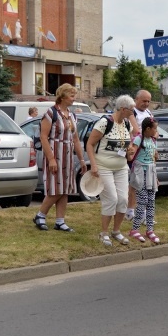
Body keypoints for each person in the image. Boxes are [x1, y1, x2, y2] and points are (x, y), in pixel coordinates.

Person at [33, 84, 87, 232]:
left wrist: (81, 160)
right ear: (62, 96)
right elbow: (43, 137)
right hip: (55, 154)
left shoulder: (72, 115)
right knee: (55, 188)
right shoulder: (51, 113)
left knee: (65, 189)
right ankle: (40, 215)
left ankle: (60, 221)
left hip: (68, 156)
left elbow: (75, 139)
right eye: (71, 95)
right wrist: (50, 158)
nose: (74, 98)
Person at [86, 95, 135, 247]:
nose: (132, 113)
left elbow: (129, 142)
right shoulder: (105, 122)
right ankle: (104, 232)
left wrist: (130, 150)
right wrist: (93, 165)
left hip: (121, 167)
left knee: (123, 199)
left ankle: (116, 231)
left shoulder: (127, 123)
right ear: (123, 109)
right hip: (103, 167)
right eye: (131, 110)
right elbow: (89, 144)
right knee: (111, 199)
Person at [128, 117, 160, 244]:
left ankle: (150, 229)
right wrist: (129, 151)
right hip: (141, 172)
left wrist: (156, 177)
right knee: (142, 200)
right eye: (155, 128)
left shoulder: (152, 140)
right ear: (148, 129)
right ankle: (135, 229)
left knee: (151, 201)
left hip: (151, 172)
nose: (156, 131)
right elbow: (132, 154)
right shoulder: (139, 139)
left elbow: (154, 158)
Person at [125, 89, 153, 221]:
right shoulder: (132, 112)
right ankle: (130, 210)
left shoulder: (148, 113)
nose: (146, 103)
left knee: (147, 183)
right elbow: (136, 131)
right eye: (144, 101)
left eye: (148, 101)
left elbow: (154, 131)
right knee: (135, 182)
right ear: (136, 99)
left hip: (147, 150)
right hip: (136, 150)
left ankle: (144, 211)